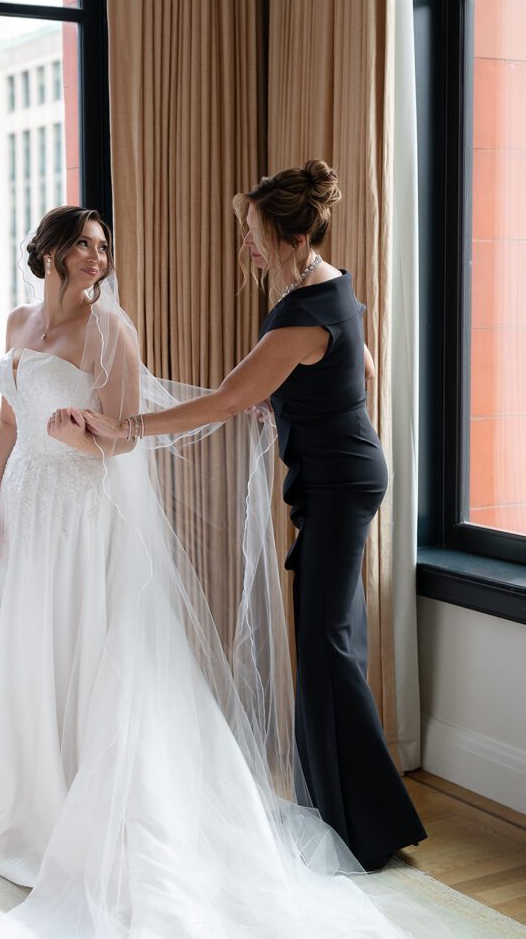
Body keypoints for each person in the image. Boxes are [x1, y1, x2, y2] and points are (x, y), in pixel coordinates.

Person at [0, 203, 412, 938]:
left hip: (80, 518)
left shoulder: (112, 331)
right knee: (34, 655)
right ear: (48, 251)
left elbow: (122, 443)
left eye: (104, 246)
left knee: (93, 655)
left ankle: (93, 814)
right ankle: (33, 802)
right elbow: (8, 418)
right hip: (30, 518)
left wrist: (83, 437)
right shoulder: (17, 324)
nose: (96, 258)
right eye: (83, 245)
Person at [82, 163, 427, 871]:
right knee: (334, 644)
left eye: (253, 235)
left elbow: (225, 399)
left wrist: (128, 431)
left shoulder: (302, 314)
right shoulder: (329, 285)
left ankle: (370, 825)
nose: (244, 246)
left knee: (324, 653)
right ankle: (339, 807)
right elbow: (358, 369)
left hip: (337, 485)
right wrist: (297, 398)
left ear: (291, 237)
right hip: (345, 476)